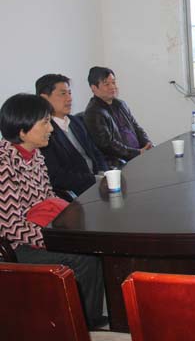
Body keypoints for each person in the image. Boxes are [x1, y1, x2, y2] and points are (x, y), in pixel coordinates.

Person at [0, 94, 105, 328]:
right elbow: (11, 228)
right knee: (85, 259)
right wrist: (55, 238)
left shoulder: (35, 155)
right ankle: (83, 325)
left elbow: (47, 196)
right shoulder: (4, 164)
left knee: (91, 244)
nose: (51, 129)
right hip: (16, 247)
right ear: (23, 130)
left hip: (39, 231)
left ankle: (85, 314)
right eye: (45, 122)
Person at [36, 74, 108, 197]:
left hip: (98, 183)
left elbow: (95, 152)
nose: (69, 98)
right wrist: (95, 180)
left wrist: (104, 172)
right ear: (44, 98)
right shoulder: (43, 133)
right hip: (76, 192)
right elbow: (56, 175)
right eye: (63, 94)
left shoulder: (76, 121)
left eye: (69, 93)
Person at [84, 66, 152, 167]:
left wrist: (147, 144)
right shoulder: (93, 113)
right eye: (107, 84)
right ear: (94, 88)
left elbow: (136, 127)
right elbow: (108, 145)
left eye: (113, 82)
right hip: (118, 163)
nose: (112, 87)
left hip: (137, 155)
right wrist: (137, 153)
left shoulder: (121, 104)